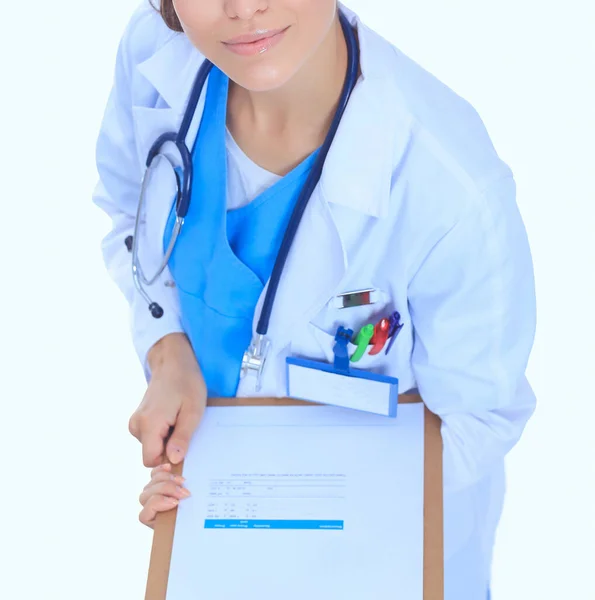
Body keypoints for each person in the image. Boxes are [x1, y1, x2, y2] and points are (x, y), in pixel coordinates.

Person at [93, 1, 536, 598]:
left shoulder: (450, 187)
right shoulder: (154, 54)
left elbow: (478, 419)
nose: (243, 7)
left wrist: (279, 504)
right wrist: (169, 355)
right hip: (224, 534)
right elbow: (130, 211)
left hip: (382, 559)